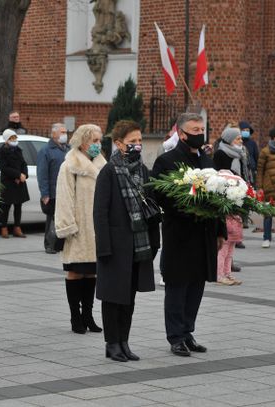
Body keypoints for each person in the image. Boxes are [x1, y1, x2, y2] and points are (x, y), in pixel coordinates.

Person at [152, 112, 226, 357]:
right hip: (180, 235)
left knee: (196, 286)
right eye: (194, 130)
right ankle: (175, 337)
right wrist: (189, 204)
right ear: (181, 134)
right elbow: (159, 196)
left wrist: (220, 230)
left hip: (204, 235)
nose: (199, 134)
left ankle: (187, 332)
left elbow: (218, 197)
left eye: (201, 129)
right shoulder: (166, 161)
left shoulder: (206, 160)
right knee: (177, 286)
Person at [94, 120, 159, 362]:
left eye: (140, 141)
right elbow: (100, 213)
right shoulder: (109, 171)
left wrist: (154, 242)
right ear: (119, 143)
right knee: (113, 297)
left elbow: (151, 207)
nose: (137, 145)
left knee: (129, 297)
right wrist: (104, 247)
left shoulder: (142, 171)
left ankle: (124, 341)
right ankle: (112, 344)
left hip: (138, 245)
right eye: (132, 142)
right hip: (115, 246)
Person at [55, 124, 106, 334]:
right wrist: (67, 226)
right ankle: (75, 317)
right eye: (94, 140)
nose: (98, 144)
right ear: (83, 142)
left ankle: (88, 315)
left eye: (99, 140)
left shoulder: (103, 164)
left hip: (96, 228)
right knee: (76, 272)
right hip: (78, 228)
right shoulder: (69, 166)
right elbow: (65, 197)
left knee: (92, 273)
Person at [213, 127, 247, 286]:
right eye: (238, 138)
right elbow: (218, 177)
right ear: (229, 139)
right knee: (225, 243)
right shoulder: (221, 154)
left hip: (238, 200)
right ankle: (219, 274)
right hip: (227, 202)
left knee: (232, 242)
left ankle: (228, 272)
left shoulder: (241, 154)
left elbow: (244, 175)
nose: (241, 141)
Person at [36, 123, 70, 253]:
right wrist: (45, 194)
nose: (64, 135)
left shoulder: (68, 149)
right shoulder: (46, 151)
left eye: (65, 132)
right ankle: (50, 244)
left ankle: (60, 243)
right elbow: (42, 174)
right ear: (54, 134)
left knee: (63, 219)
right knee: (52, 220)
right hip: (53, 192)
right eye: (61, 132)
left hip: (66, 191)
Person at [0, 129, 30, 238]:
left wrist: (24, 174)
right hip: (8, 183)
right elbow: (4, 168)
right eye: (11, 138)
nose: (14, 140)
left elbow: (24, 163)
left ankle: (17, 227)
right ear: (6, 140)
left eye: (15, 138)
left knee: (18, 205)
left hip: (19, 182)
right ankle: (4, 228)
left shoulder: (18, 150)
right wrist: (17, 175)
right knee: (6, 206)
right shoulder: (1, 151)